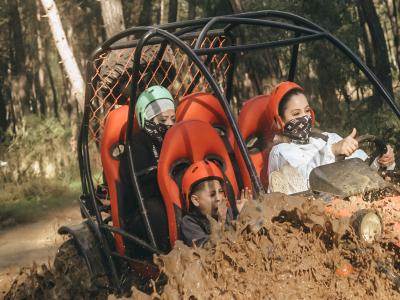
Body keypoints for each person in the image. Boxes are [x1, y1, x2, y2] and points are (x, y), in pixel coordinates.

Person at [265, 81, 396, 194]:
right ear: (279, 120)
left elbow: (361, 165)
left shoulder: (327, 138)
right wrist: (332, 151)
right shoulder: (280, 152)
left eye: (306, 110)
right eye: (296, 113)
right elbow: (303, 181)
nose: (304, 117)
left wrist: (380, 162)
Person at [120, 85, 176, 254]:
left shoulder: (175, 140)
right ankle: (166, 259)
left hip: (171, 203)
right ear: (147, 119)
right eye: (163, 120)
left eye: (173, 119)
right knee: (155, 209)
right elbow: (142, 187)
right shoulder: (137, 145)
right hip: (142, 213)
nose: (169, 125)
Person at [180, 160, 251, 247]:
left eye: (220, 192)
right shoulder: (189, 223)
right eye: (212, 194)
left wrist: (243, 215)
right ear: (196, 200)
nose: (218, 198)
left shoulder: (228, 212)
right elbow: (207, 250)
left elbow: (241, 238)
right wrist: (221, 222)